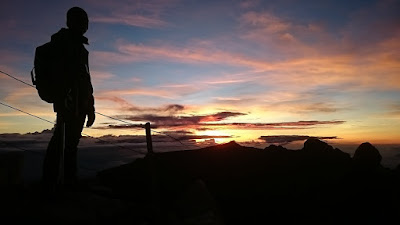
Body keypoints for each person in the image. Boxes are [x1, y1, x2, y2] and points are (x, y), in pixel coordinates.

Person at [42, 7, 95, 192]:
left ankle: (66, 182)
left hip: (79, 104)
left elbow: (85, 79)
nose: (85, 24)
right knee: (62, 143)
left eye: (85, 21)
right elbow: (65, 76)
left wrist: (90, 106)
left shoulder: (80, 48)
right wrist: (64, 98)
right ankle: (55, 185)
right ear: (70, 21)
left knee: (70, 144)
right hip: (67, 104)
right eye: (81, 20)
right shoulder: (63, 44)